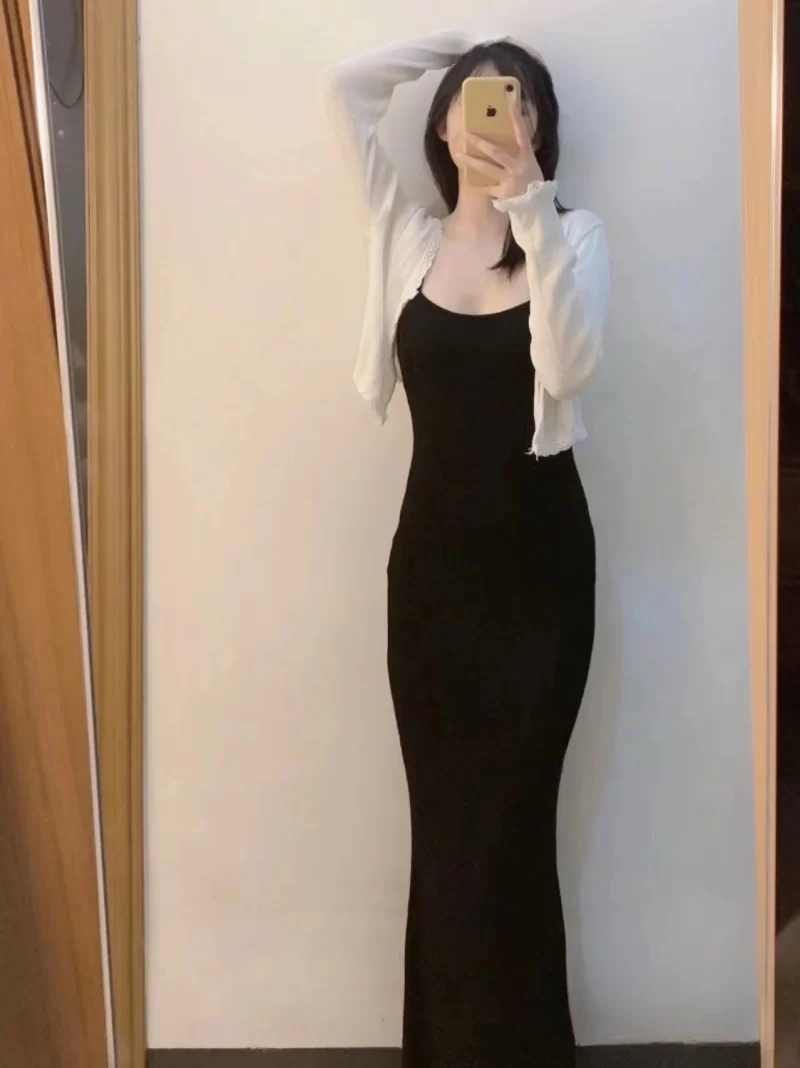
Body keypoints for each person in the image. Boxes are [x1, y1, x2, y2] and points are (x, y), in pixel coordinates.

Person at [326, 29, 610, 1067]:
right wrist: (459, 50)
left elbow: (569, 371)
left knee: (512, 831)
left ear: (542, 132)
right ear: (445, 124)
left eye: (521, 103)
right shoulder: (404, 234)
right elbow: (343, 89)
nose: (502, 116)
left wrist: (531, 209)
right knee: (446, 832)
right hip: (432, 587)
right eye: (482, 101)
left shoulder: (572, 237)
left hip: (543, 583)